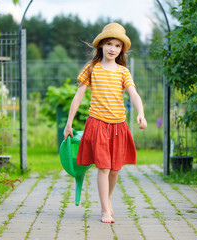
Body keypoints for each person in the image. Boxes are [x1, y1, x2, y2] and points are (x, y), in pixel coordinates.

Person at [63, 22, 147, 223]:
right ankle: (104, 210)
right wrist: (69, 124)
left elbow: (134, 94)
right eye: (109, 44)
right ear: (101, 44)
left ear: (121, 50)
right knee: (103, 167)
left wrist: (141, 112)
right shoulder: (91, 68)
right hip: (97, 124)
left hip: (119, 126)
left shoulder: (123, 72)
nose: (113, 49)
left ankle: (106, 200)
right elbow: (78, 96)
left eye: (117, 46)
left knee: (115, 169)